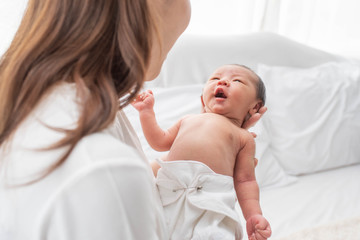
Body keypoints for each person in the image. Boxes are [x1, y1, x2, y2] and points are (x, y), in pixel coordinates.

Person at [132, 64, 272, 240]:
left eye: (237, 80)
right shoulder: (188, 120)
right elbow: (159, 141)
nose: (223, 81)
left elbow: (246, 180)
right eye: (214, 79)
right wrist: (146, 112)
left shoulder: (243, 137)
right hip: (166, 194)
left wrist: (253, 215)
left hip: (210, 204)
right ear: (203, 98)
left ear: (254, 107)